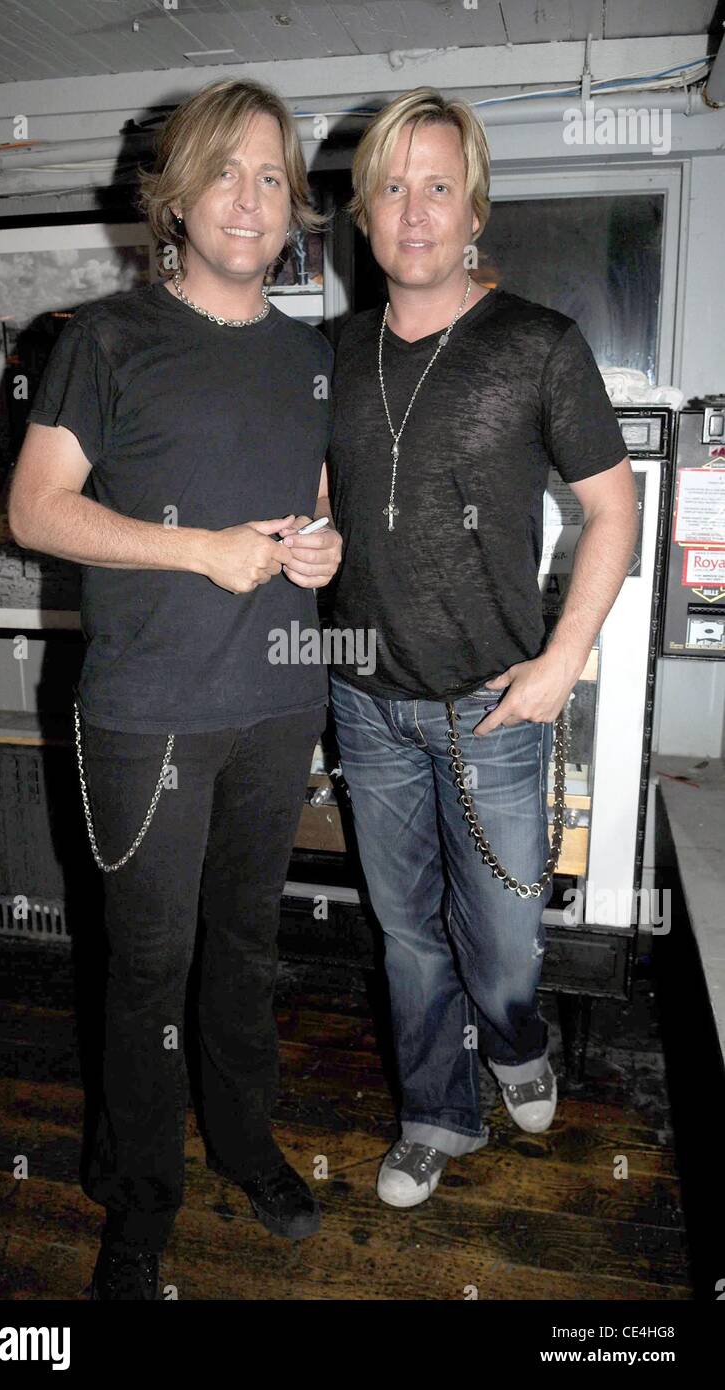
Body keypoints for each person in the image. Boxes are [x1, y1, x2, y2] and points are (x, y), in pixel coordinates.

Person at [8, 77, 342, 1299]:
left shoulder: (311, 356)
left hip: (275, 704)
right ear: (177, 197)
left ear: (292, 203)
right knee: (147, 970)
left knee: (244, 954)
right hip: (145, 716)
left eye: (270, 176)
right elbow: (38, 509)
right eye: (224, 173)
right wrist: (198, 547)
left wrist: (322, 547)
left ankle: (247, 1145)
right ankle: (140, 1198)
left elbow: (314, 514)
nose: (247, 198)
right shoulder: (106, 340)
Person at [326, 88, 639, 1209]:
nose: (413, 213)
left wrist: (560, 662)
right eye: (391, 188)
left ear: (473, 215)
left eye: (437, 188)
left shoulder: (538, 345)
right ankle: (434, 1115)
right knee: (406, 936)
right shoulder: (331, 354)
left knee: (500, 941)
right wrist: (311, 540)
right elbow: (323, 501)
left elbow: (614, 508)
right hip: (365, 702)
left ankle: (516, 1040)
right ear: (363, 215)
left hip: (496, 708)